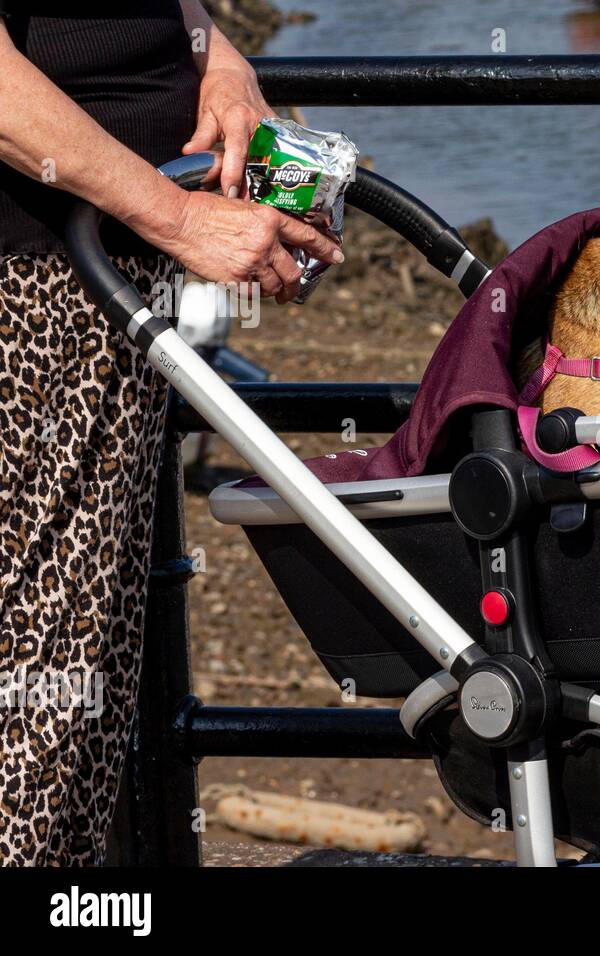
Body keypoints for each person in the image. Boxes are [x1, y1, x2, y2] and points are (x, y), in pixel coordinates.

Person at [0, 1, 341, 865]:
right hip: (31, 289)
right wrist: (180, 218)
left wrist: (217, 59)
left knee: (85, 689)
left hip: (98, 274)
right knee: (33, 698)